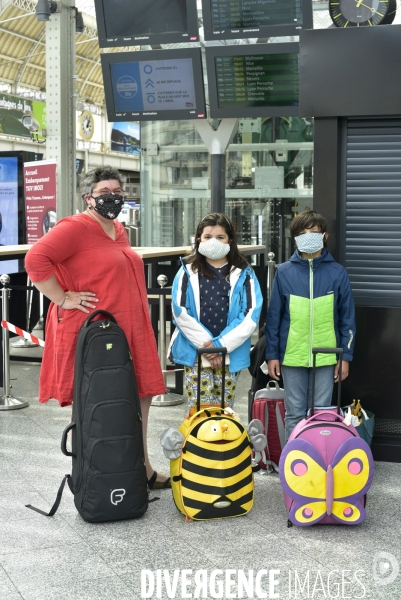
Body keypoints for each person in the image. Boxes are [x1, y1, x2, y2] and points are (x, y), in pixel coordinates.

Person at [25, 166, 170, 490]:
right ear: (88, 197)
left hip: (128, 327)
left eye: (118, 191)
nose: (114, 197)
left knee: (140, 394)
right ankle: (90, 473)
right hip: (96, 332)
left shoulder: (118, 229)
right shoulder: (74, 227)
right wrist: (62, 298)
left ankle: (141, 467)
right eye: (106, 192)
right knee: (94, 400)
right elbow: (36, 260)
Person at [265, 210, 356, 441]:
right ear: (294, 238)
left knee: (321, 413)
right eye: (302, 232)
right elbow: (274, 317)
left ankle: (315, 464)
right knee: (294, 412)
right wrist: (272, 354)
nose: (308, 236)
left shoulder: (337, 273)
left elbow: (347, 319)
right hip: (292, 354)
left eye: (313, 232)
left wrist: (344, 356)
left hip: (326, 355)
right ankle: (293, 466)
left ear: (324, 236)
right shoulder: (284, 272)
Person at [169, 213, 263, 415]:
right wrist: (207, 347)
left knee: (225, 411)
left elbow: (251, 314)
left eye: (220, 237)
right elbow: (180, 311)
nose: (214, 241)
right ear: (198, 239)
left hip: (230, 352)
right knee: (200, 412)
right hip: (195, 352)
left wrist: (220, 346)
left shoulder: (244, 272)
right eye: (207, 236)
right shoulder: (186, 271)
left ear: (230, 240)